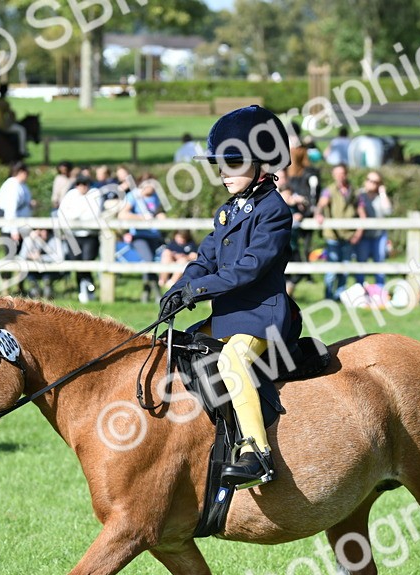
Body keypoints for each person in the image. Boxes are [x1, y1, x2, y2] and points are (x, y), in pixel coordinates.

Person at [159, 105, 301, 489]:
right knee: (173, 347)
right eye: (221, 165)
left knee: (233, 361)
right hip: (227, 315)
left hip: (261, 316)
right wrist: (177, 290)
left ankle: (257, 453)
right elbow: (204, 259)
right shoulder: (227, 212)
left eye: (233, 164)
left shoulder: (274, 211)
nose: (224, 174)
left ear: (260, 164)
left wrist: (198, 290)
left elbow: (249, 269)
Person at [314, 164, 360, 300]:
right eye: (337, 173)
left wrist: (358, 232)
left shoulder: (353, 191)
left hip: (348, 235)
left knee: (345, 268)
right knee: (332, 268)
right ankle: (328, 296)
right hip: (333, 236)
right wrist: (318, 214)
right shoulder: (329, 190)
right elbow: (321, 204)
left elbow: (360, 210)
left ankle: (340, 296)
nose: (340, 176)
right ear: (333, 175)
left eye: (342, 173)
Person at [118, 173, 167, 301]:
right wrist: (141, 218)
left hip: (153, 235)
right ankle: (156, 293)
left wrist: (160, 216)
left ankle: (146, 292)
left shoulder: (155, 197)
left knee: (149, 263)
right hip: (139, 235)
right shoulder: (133, 196)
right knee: (149, 260)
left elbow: (158, 212)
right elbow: (122, 214)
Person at [56, 174, 102, 303]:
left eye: (85, 185)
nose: (82, 188)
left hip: (89, 235)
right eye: (79, 185)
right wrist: (80, 213)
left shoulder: (95, 193)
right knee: (76, 263)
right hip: (73, 236)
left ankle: (89, 288)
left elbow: (94, 214)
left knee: (87, 262)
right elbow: (62, 213)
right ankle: (82, 289)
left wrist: (74, 215)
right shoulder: (71, 195)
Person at [354, 171, 391, 287]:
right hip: (364, 235)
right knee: (361, 263)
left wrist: (383, 192)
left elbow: (388, 211)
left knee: (379, 262)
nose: (371, 184)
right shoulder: (359, 195)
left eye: (375, 182)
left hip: (379, 235)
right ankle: (359, 289)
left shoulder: (380, 197)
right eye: (369, 180)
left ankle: (380, 289)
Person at [0, 83, 27, 157]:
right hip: (2, 126)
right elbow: (10, 114)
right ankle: (22, 151)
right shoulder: (5, 103)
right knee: (21, 130)